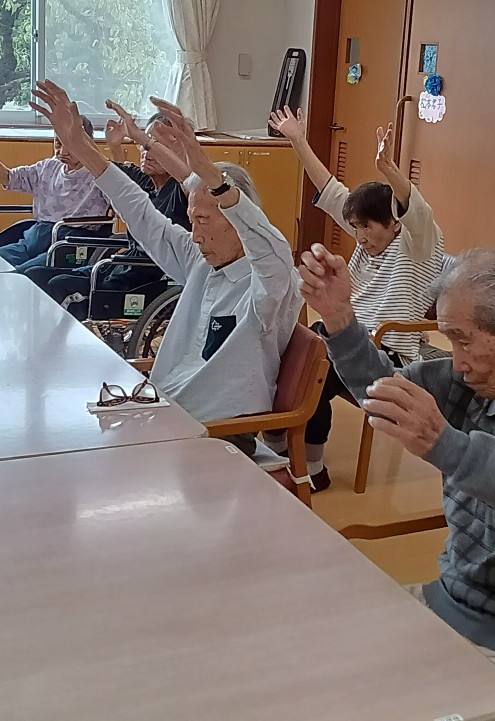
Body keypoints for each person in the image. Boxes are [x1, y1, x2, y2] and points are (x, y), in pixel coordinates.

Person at [299, 243, 495, 721]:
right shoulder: (473, 382)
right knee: (308, 665)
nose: (456, 362)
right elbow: (385, 394)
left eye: (462, 340)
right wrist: (338, 319)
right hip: (449, 605)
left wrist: (449, 447)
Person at [31, 80, 302, 462]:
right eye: (192, 219)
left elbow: (272, 248)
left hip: (215, 436)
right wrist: (80, 146)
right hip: (168, 411)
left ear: (237, 220)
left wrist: (214, 180)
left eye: (204, 220)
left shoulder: (269, 282)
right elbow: (140, 210)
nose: (195, 233)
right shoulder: (200, 261)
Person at [264, 106, 444, 491]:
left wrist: (389, 169)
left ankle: (312, 468)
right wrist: (298, 139)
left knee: (316, 367)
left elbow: (419, 213)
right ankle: (278, 442)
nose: (360, 237)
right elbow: (330, 190)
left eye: (367, 227)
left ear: (395, 222)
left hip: (387, 353)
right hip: (349, 339)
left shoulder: (418, 246)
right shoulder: (367, 244)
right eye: (356, 227)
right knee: (289, 344)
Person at [24, 111, 191, 320]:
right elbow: (103, 167)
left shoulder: (181, 191)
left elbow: (189, 176)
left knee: (60, 286)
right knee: (33, 276)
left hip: (146, 278)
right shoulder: (144, 180)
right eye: (144, 144)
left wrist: (184, 147)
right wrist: (80, 134)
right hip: (123, 265)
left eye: (157, 146)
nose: (147, 152)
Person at [0, 116, 111, 272]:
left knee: (21, 274)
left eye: (70, 145)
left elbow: (121, 199)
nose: (63, 152)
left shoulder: (100, 173)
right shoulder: (49, 166)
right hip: (35, 238)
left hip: (71, 243)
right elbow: (11, 177)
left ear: (87, 143)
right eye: (58, 143)